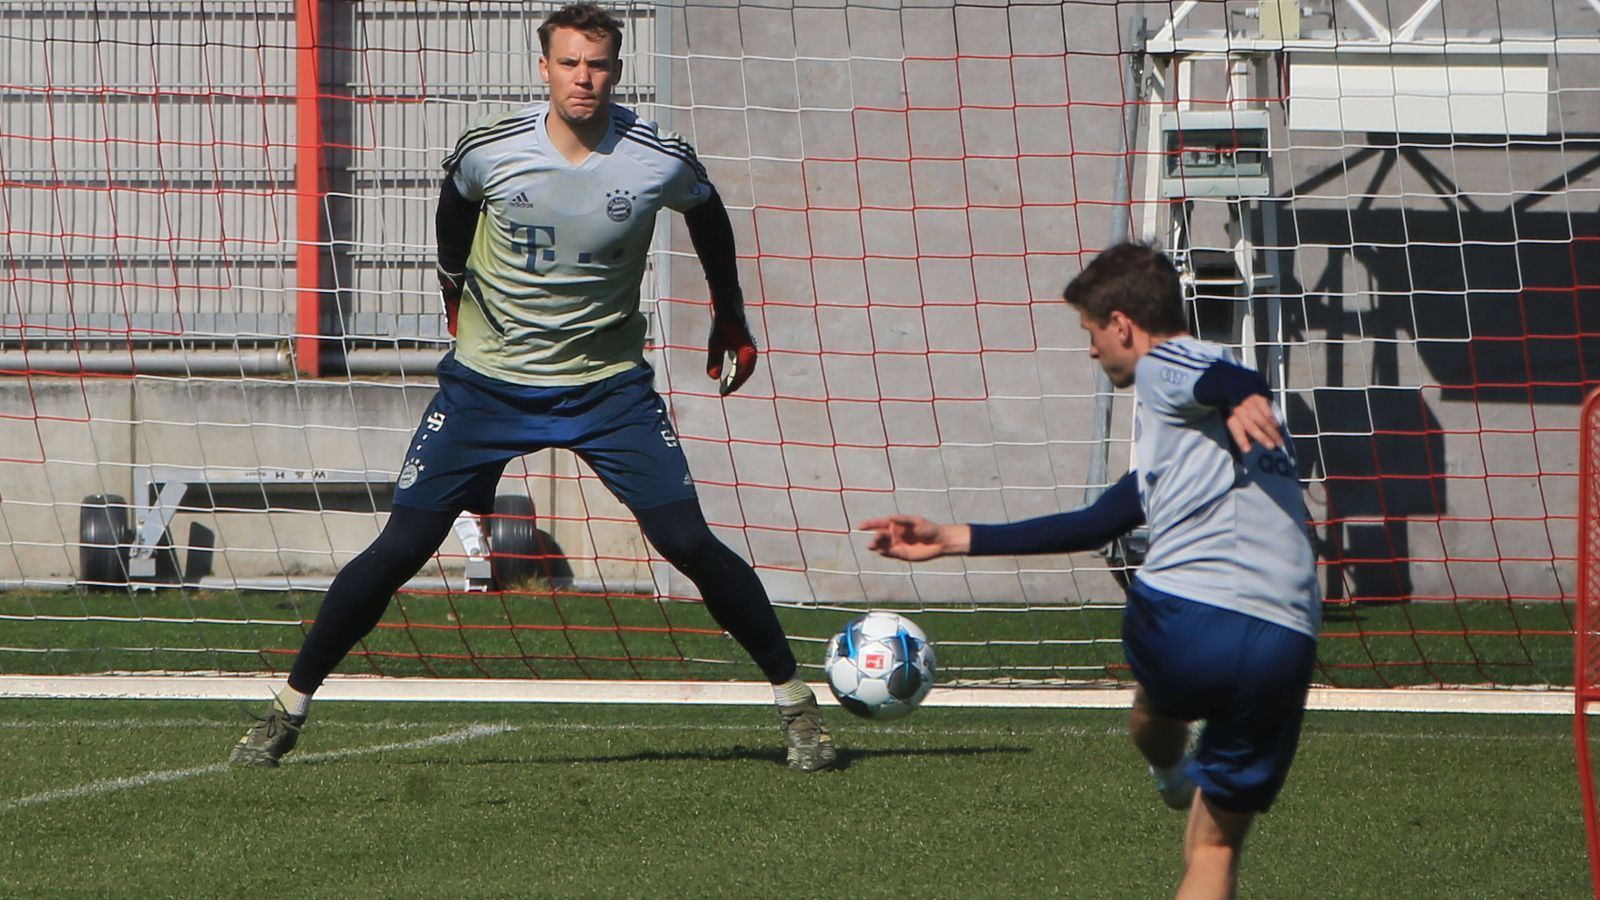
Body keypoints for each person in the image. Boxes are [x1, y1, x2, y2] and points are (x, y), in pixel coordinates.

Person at [231, 2, 834, 773]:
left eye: (600, 64)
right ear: (544, 68)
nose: (586, 79)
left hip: (608, 391)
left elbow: (707, 216)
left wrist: (731, 319)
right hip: (486, 387)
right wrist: (453, 287)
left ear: (618, 70)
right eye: (571, 63)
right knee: (401, 547)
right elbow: (453, 209)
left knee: (687, 541)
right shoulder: (491, 149)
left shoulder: (657, 158)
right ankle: (287, 710)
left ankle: (796, 706)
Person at [859, 243, 1320, 898]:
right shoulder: (1203, 441)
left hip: (1186, 620)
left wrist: (1245, 390)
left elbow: (1216, 378)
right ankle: (1177, 780)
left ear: (1123, 324)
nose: (1092, 349)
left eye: (1091, 331)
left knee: (1155, 704)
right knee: (1214, 849)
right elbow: (1100, 520)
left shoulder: (1173, 364)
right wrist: (951, 539)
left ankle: (1170, 769)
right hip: (1284, 640)